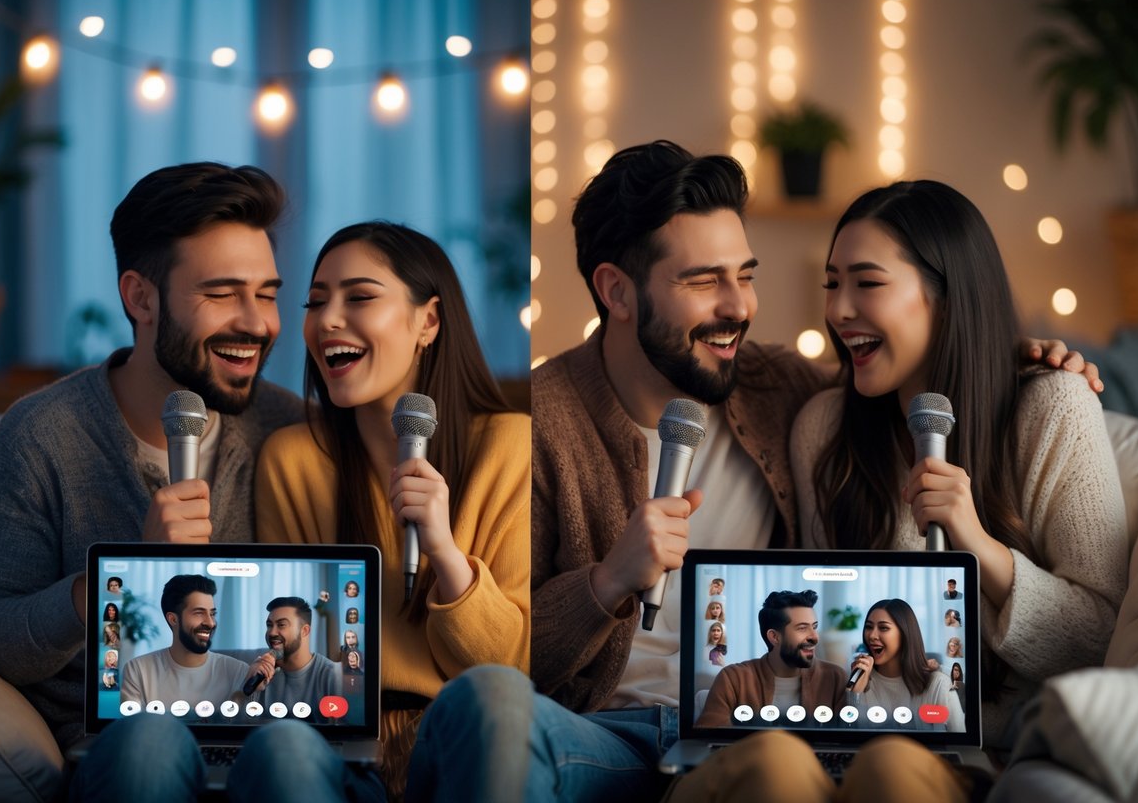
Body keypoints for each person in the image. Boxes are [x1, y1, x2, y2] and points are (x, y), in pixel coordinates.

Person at [420, 143, 1097, 802]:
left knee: (781, 762)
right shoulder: (538, 424)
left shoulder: (784, 395)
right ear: (616, 291)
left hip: (750, 736)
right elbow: (497, 644)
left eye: (744, 275)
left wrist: (1020, 358)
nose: (738, 307)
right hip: (602, 732)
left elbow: (901, 365)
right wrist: (607, 580)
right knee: (488, 702)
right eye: (702, 280)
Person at [0, 162, 304, 754]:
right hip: (114, 743)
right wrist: (118, 578)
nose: (256, 323)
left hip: (263, 738)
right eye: (221, 293)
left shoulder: (287, 427)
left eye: (266, 294)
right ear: (141, 297)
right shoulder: (43, 432)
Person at [791, 179, 1127, 749]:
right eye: (831, 284)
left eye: (867, 282)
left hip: (1000, 752)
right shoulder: (823, 429)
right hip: (858, 742)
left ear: (947, 298)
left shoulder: (1055, 406)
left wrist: (977, 544)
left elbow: (1100, 641)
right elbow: (829, 629)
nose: (837, 310)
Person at [252, 221, 531, 800]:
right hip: (334, 739)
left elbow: (510, 673)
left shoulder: (509, 448)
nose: (327, 320)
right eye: (315, 302)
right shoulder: (292, 461)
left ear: (427, 320)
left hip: (460, 738)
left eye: (359, 297)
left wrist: (445, 552)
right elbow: (296, 652)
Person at [696, 589, 847, 727]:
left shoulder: (834, 677)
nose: (814, 637)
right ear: (774, 637)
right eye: (802, 628)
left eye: (814, 627)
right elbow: (710, 739)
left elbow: (849, 740)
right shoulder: (734, 679)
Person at [119, 574, 248, 707]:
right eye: (199, 613)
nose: (210, 623)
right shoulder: (138, 670)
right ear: (173, 619)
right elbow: (134, 726)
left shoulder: (239, 672)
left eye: (212, 614)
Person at [845, 599, 966, 733]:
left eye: (883, 628)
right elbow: (847, 739)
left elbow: (962, 744)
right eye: (868, 627)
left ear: (905, 633)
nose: (872, 636)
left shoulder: (939, 685)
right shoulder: (858, 680)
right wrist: (855, 694)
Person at [239, 596, 344, 722]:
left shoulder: (332, 675)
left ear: (304, 631)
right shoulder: (259, 671)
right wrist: (250, 689)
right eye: (269, 625)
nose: (272, 632)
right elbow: (236, 728)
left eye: (281, 625)